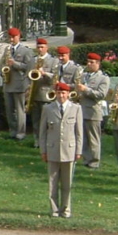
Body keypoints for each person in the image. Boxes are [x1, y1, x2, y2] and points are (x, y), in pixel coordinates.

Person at [37, 81, 83, 218]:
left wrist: (78, 150)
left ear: (68, 94)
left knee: (67, 183)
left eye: (63, 93)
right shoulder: (48, 108)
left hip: (69, 150)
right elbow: (42, 132)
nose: (61, 95)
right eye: (58, 93)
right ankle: (54, 209)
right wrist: (43, 150)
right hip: (52, 149)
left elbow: (79, 132)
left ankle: (66, 209)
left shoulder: (76, 108)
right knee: (52, 182)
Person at [75, 52, 110, 169]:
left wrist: (86, 89)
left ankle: (94, 161)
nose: (89, 64)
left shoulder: (103, 78)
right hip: (82, 109)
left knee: (93, 138)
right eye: (88, 62)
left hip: (93, 111)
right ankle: (86, 159)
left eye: (92, 62)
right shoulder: (84, 76)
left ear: (98, 64)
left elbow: (101, 94)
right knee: (83, 136)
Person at [1, 27, 34, 141]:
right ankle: (12, 131)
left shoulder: (26, 51)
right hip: (8, 83)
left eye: (13, 37)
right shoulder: (7, 50)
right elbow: (2, 63)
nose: (11, 39)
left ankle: (21, 133)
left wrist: (15, 64)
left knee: (20, 110)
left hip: (20, 84)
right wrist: (3, 67)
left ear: (19, 36)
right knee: (9, 110)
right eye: (10, 37)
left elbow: (29, 67)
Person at [27, 38, 59, 140]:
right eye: (38, 47)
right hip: (34, 93)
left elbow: (55, 77)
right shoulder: (33, 60)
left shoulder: (53, 60)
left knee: (46, 120)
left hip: (45, 93)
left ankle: (48, 139)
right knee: (35, 119)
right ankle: (37, 140)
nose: (40, 49)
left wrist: (44, 73)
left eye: (42, 47)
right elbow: (28, 75)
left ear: (47, 48)